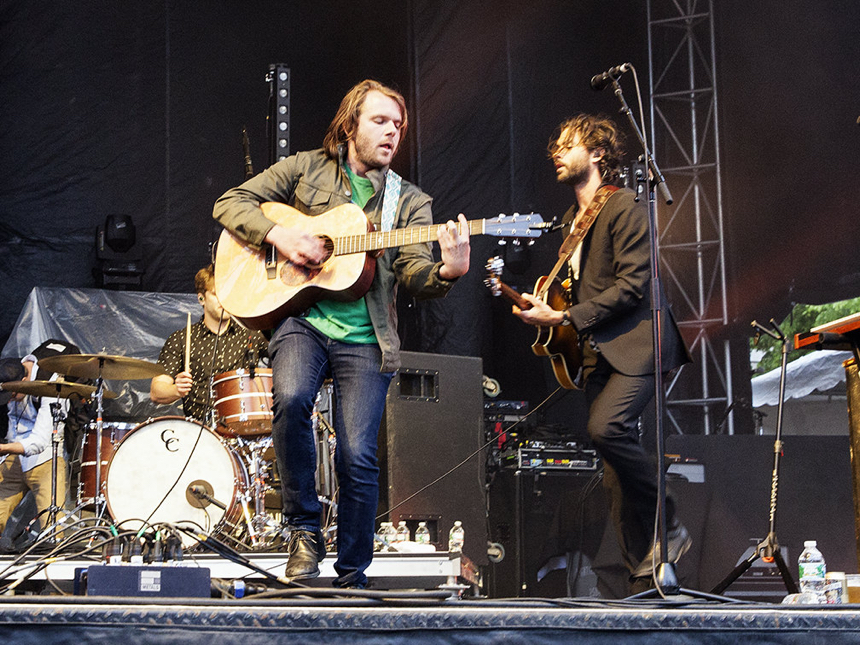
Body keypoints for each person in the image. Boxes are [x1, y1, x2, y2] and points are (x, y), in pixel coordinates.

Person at [212, 79, 470, 588]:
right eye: (380, 121)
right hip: (302, 321)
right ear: (350, 124)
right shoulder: (307, 168)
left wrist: (447, 272)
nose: (392, 132)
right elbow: (230, 202)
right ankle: (304, 530)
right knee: (289, 399)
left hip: (367, 336)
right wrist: (280, 234)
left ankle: (353, 568)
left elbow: (415, 270)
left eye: (398, 125)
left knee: (357, 452)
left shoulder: (410, 201)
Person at [513, 114, 691, 592]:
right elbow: (579, 292)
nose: (557, 152)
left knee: (605, 427)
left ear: (596, 155)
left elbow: (633, 287)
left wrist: (565, 319)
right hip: (596, 356)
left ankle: (670, 519)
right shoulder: (574, 221)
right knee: (613, 473)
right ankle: (644, 573)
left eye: (568, 145)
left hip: (638, 346)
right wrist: (548, 309)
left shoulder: (625, 205)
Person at [150, 264, 269, 425]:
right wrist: (176, 389)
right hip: (199, 431)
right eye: (216, 294)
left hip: (242, 428)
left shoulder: (251, 333)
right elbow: (156, 391)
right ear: (201, 298)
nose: (224, 300)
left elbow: (284, 359)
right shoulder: (182, 339)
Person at [0, 340, 83, 545]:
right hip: (14, 454)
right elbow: (12, 420)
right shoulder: (11, 372)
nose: (10, 400)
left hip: (45, 457)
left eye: (13, 394)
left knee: (52, 531)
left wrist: (4, 448)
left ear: (25, 379)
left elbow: (40, 441)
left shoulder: (52, 383)